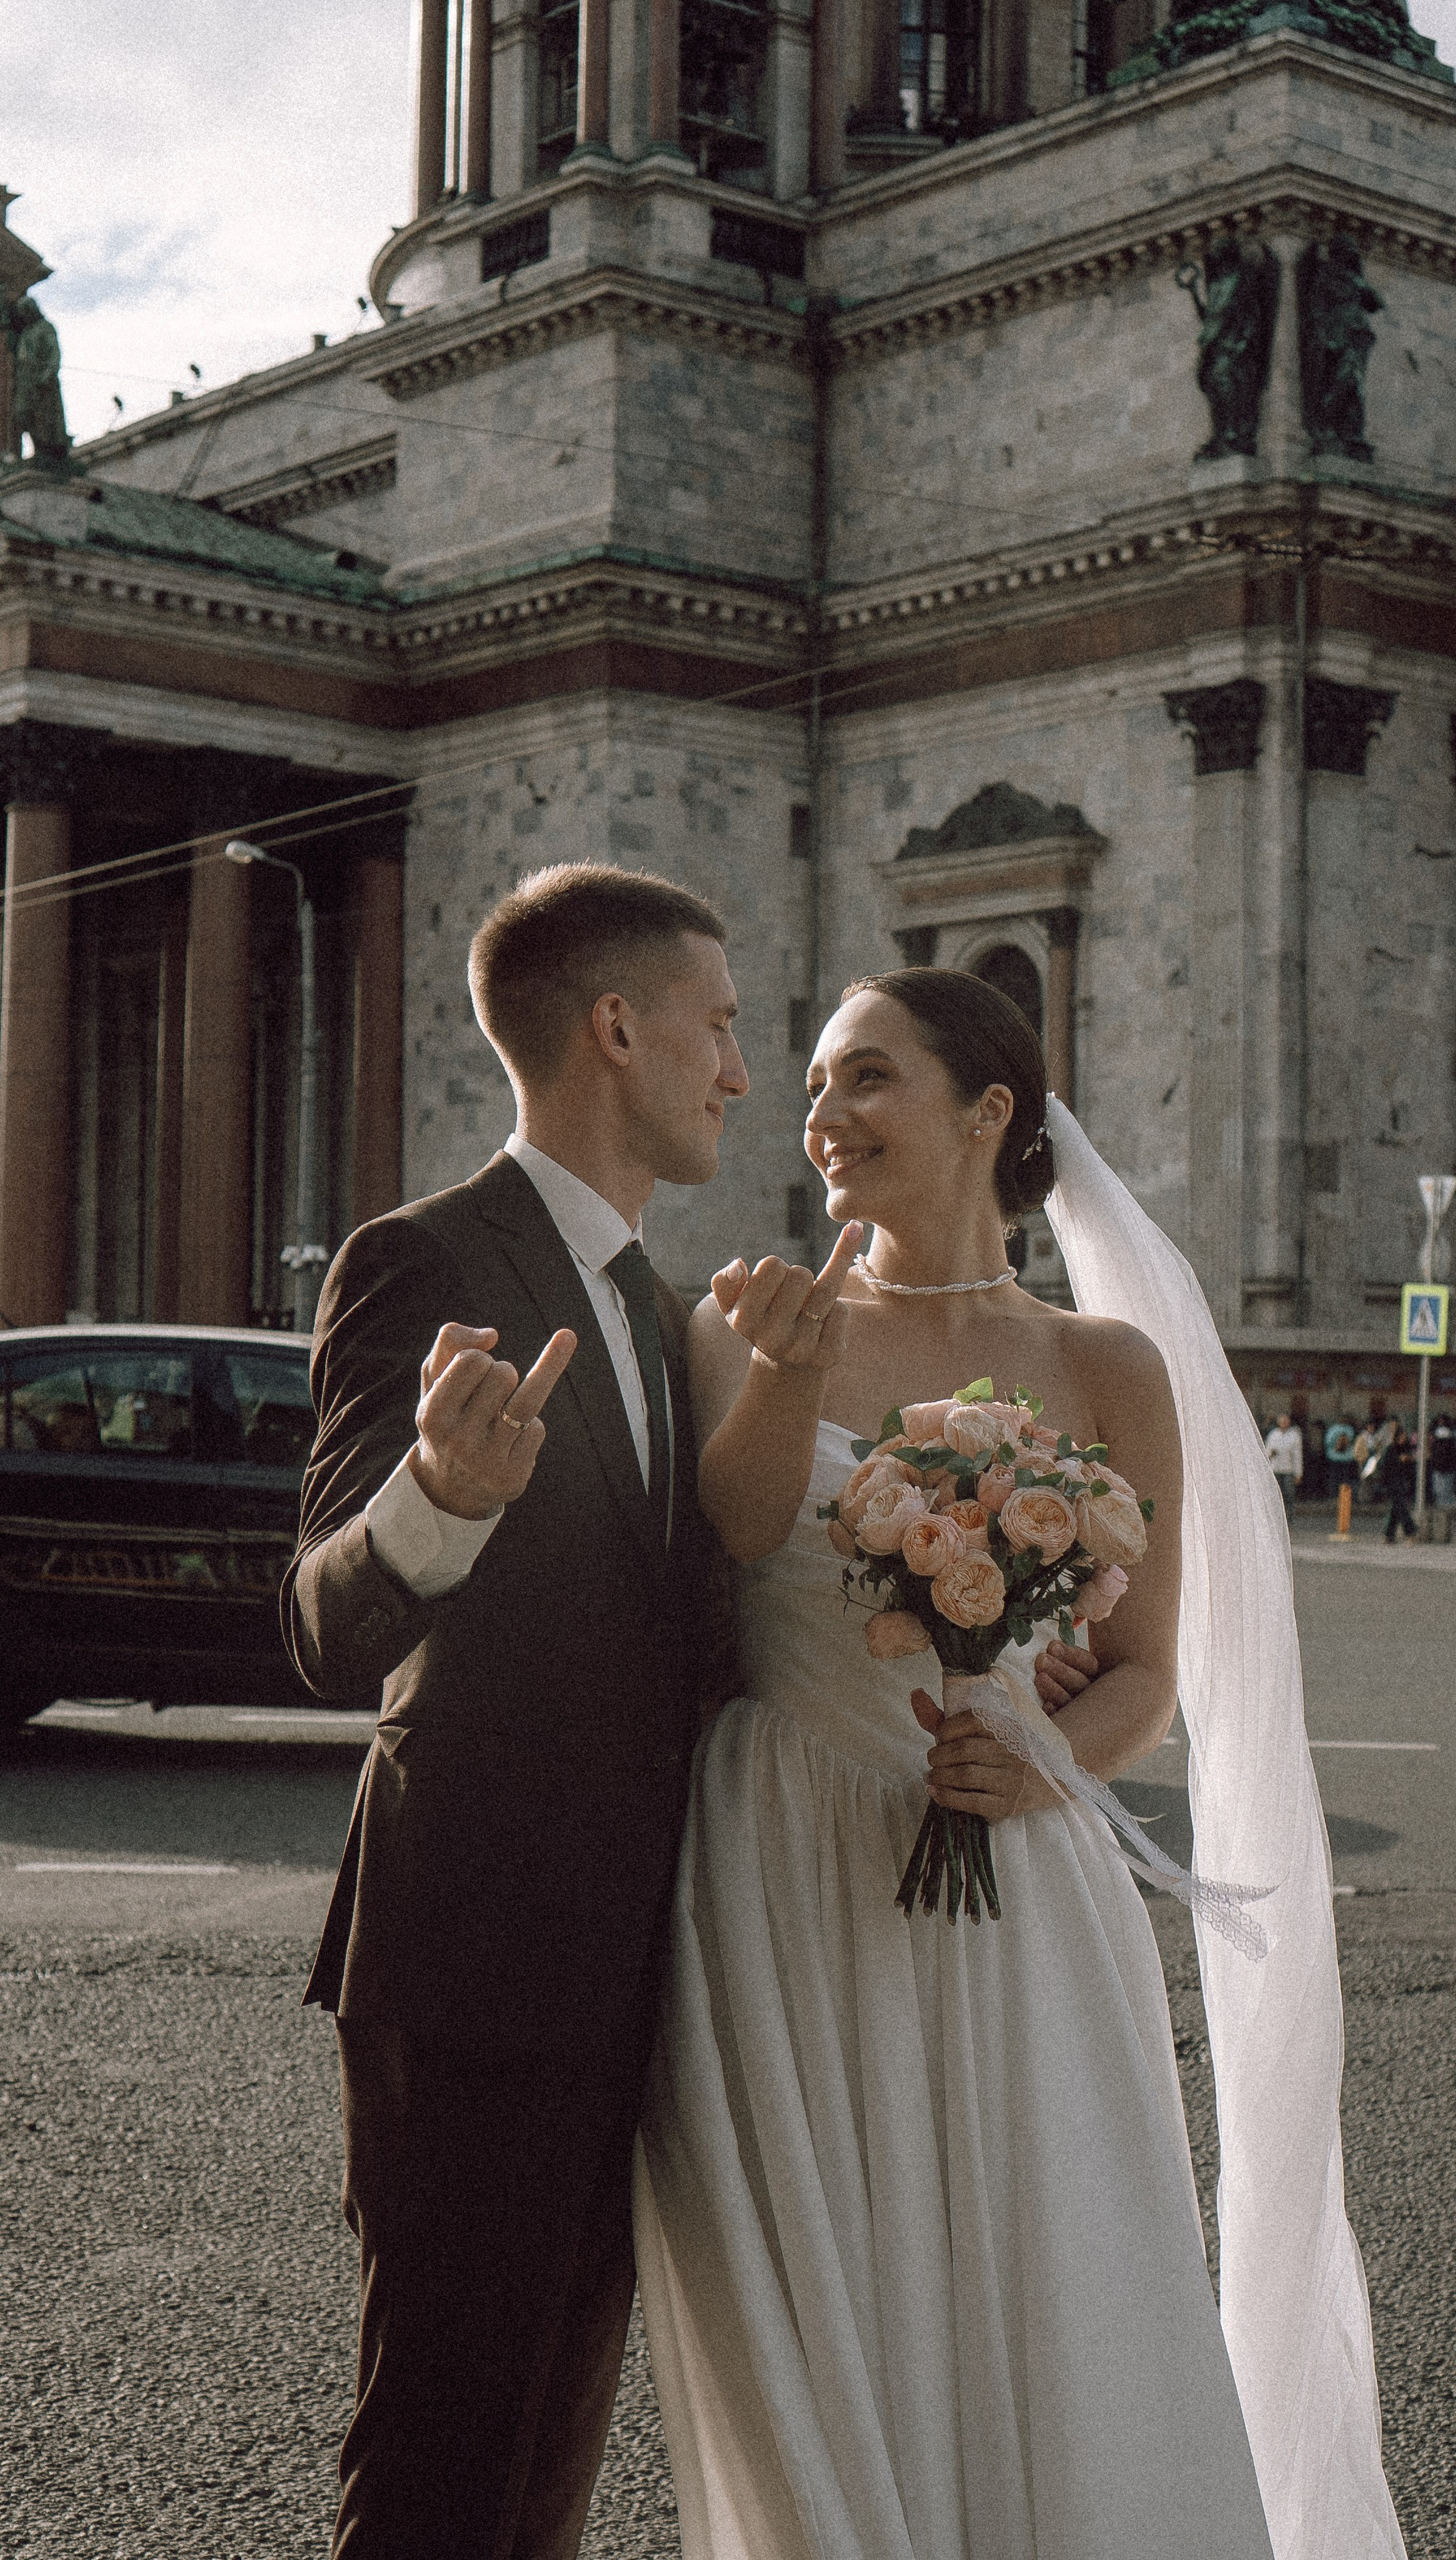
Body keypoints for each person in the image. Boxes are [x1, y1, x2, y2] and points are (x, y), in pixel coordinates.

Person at [637, 968, 1407, 2560]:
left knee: (1048, 2284)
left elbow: (1145, 1679)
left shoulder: (1105, 1363)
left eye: (865, 1078)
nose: (820, 1115)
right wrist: (784, 1374)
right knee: (828, 2311)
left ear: (987, 1111)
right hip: (788, 1864)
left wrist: (1044, 1758)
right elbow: (734, 1540)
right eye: (812, 1084)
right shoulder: (746, 1320)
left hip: (1018, 1881)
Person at [285, 864, 749, 2560]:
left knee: (545, 2467)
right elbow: (321, 1625)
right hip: (473, 1966)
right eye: (716, 1025)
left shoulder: (657, 1305)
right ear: (615, 1029)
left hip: (637, 1975)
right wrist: (434, 1500)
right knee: (441, 2464)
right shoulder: (421, 1257)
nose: (737, 1072)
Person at [1263, 1406, 1303, 1527]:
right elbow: (1267, 1451)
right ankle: (1276, 1518)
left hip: (1288, 1470)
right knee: (1275, 1495)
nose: (1284, 1423)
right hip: (1275, 1469)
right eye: (1282, 1421)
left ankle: (1289, 1518)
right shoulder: (1273, 1435)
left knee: (1289, 1495)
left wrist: (1298, 1473)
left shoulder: (1294, 1435)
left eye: (1286, 1421)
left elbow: (1297, 1455)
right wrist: (1271, 1454)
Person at [1379, 1423, 1419, 1543]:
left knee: (1396, 1508)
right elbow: (1387, 1466)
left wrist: (1408, 1460)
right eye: (1401, 1437)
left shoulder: (1407, 1450)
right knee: (1400, 1507)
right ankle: (1410, 1532)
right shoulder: (1391, 1449)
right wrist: (1399, 1460)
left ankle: (1389, 1535)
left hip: (1402, 1482)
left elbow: (1411, 1468)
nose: (1403, 1440)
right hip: (1392, 1482)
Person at [1427, 1413, 1456, 1543]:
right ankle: (1442, 1516)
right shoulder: (1446, 1441)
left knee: (1444, 1491)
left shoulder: (1448, 1440)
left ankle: (1443, 1517)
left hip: (1445, 1468)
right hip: (1442, 1468)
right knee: (1441, 1490)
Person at [1325, 1413, 1357, 1501]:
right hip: (1336, 1458)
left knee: (1343, 1479)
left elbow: (1353, 1442)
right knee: (1336, 1478)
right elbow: (1328, 1442)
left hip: (1343, 1458)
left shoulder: (1348, 1429)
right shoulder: (1334, 1429)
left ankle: (1343, 1497)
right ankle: (1335, 1496)